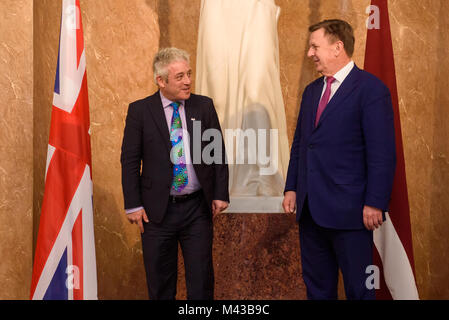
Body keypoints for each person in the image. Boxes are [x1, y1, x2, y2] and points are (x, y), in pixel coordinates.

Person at [282, 19, 396, 300]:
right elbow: (301, 144)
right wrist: (292, 186)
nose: (310, 53)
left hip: (352, 213)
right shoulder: (311, 92)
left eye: (314, 47)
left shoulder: (371, 90)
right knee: (318, 289)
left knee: (360, 289)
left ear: (337, 48)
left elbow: (382, 153)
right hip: (310, 211)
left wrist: (375, 202)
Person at [121, 47, 229, 300]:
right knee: (160, 285)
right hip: (156, 213)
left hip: (197, 210)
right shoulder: (140, 111)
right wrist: (133, 204)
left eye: (189, 74)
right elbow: (129, 161)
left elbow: (217, 153)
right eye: (180, 76)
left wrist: (220, 193)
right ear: (161, 80)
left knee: (201, 282)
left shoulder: (203, 106)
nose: (188, 81)